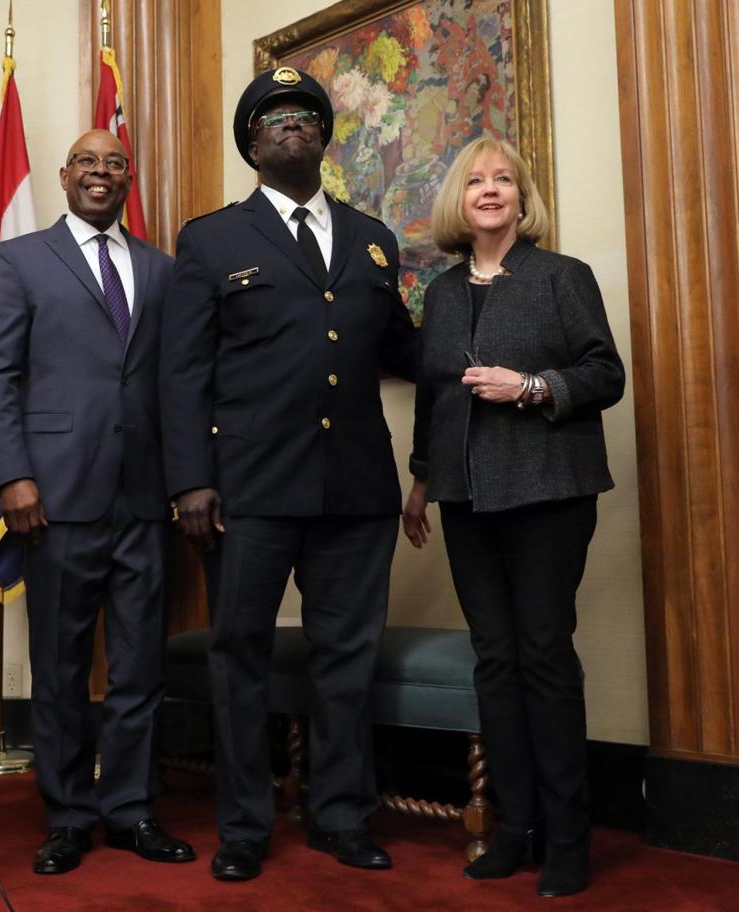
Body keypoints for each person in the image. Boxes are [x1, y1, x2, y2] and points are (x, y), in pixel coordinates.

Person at [160, 67, 417, 881]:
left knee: (347, 658)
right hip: (247, 491)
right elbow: (181, 371)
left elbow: (404, 350)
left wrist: (488, 320)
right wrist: (189, 481)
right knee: (241, 658)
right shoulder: (211, 239)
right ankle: (244, 827)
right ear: (252, 143)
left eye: (305, 113)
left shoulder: (373, 238)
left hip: (355, 489)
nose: (291, 123)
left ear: (323, 136)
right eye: (273, 116)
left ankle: (342, 816)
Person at [402, 136, 625, 898]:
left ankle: (568, 839)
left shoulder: (563, 276)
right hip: (465, 498)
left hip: (548, 493)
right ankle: (516, 829)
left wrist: (529, 386)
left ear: (523, 199)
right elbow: (434, 398)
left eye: (503, 179)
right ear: (459, 202)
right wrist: (421, 481)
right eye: (476, 181)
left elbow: (605, 373)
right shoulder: (440, 294)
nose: (490, 189)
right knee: (494, 661)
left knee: (544, 656)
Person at [0, 129, 194, 875]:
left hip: (144, 499)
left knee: (139, 667)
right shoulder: (21, 259)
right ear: (66, 177)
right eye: (88, 163)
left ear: (129, 180)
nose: (102, 173)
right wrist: (12, 477)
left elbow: (174, 382)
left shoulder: (162, 270)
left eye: (115, 164)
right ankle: (67, 814)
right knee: (62, 669)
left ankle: (131, 810)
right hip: (54, 497)